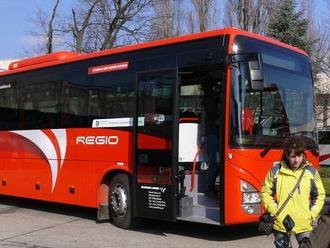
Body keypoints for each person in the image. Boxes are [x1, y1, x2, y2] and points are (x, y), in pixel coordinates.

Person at [261, 136, 325, 248]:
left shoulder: (311, 172)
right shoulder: (276, 171)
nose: (296, 160)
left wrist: (311, 214)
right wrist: (274, 211)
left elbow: (319, 195)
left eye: (299, 156)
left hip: (304, 224)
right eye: (293, 156)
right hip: (281, 224)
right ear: (287, 155)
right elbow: (265, 193)